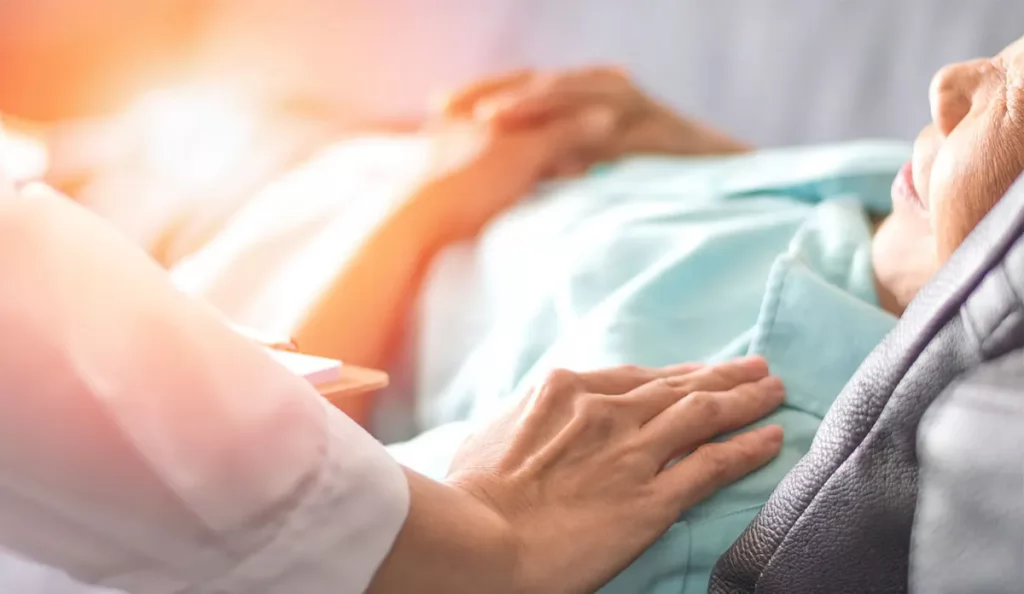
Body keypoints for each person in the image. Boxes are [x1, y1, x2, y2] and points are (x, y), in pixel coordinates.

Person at [0, 2, 788, 593]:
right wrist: (421, 205)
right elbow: (145, 400)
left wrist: (735, 180)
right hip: (259, 193)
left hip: (293, 172)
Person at [377, 34, 1024, 593]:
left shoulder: (672, 468)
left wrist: (427, 203)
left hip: (342, 276)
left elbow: (313, 527)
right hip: (398, 149)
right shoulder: (909, 203)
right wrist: (712, 167)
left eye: (1020, 101)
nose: (951, 82)